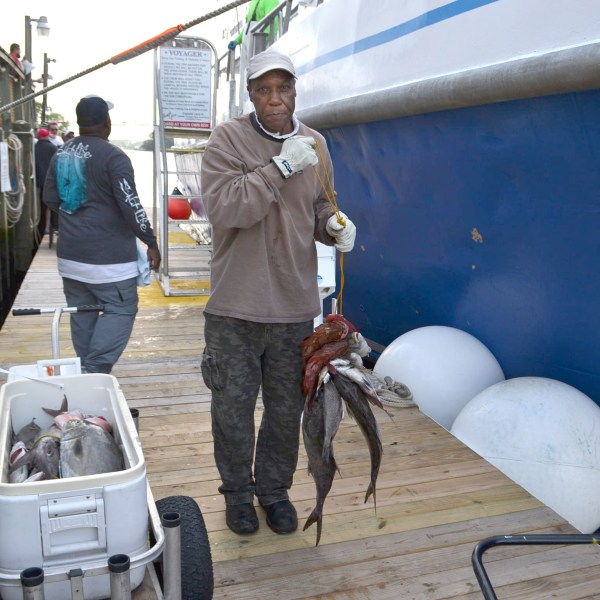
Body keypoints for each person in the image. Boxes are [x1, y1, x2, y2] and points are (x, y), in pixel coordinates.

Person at [200, 48, 357, 536]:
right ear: (250, 95)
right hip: (234, 307)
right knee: (233, 410)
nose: (275, 98)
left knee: (286, 412)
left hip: (294, 307)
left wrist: (332, 226)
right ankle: (238, 495)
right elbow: (227, 210)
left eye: (282, 88)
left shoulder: (316, 142)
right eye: (263, 89)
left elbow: (316, 208)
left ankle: (274, 491)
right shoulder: (226, 140)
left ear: (295, 90)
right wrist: (280, 168)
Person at [43, 95, 161, 374]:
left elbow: (49, 197)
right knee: (121, 308)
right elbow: (130, 204)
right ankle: (94, 371)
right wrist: (151, 241)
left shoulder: (61, 153)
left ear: (80, 122)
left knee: (82, 313)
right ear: (107, 123)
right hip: (108, 261)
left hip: (70, 257)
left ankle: (85, 372)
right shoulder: (114, 156)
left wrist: (76, 216)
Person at [34, 128, 57, 238]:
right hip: (50, 181)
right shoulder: (53, 148)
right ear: (47, 136)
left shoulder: (34, 148)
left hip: (36, 182)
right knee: (49, 205)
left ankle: (39, 227)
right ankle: (48, 227)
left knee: (38, 205)